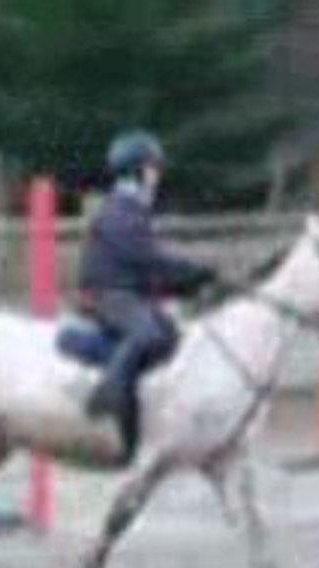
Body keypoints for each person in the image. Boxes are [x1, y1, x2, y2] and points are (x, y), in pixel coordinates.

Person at [78, 130, 218, 454]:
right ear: (138, 171)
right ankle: (108, 394)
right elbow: (146, 259)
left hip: (128, 291)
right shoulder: (120, 209)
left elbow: (149, 265)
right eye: (152, 168)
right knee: (150, 332)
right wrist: (193, 272)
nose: (157, 175)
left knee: (171, 331)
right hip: (108, 294)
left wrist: (193, 282)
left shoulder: (133, 208)